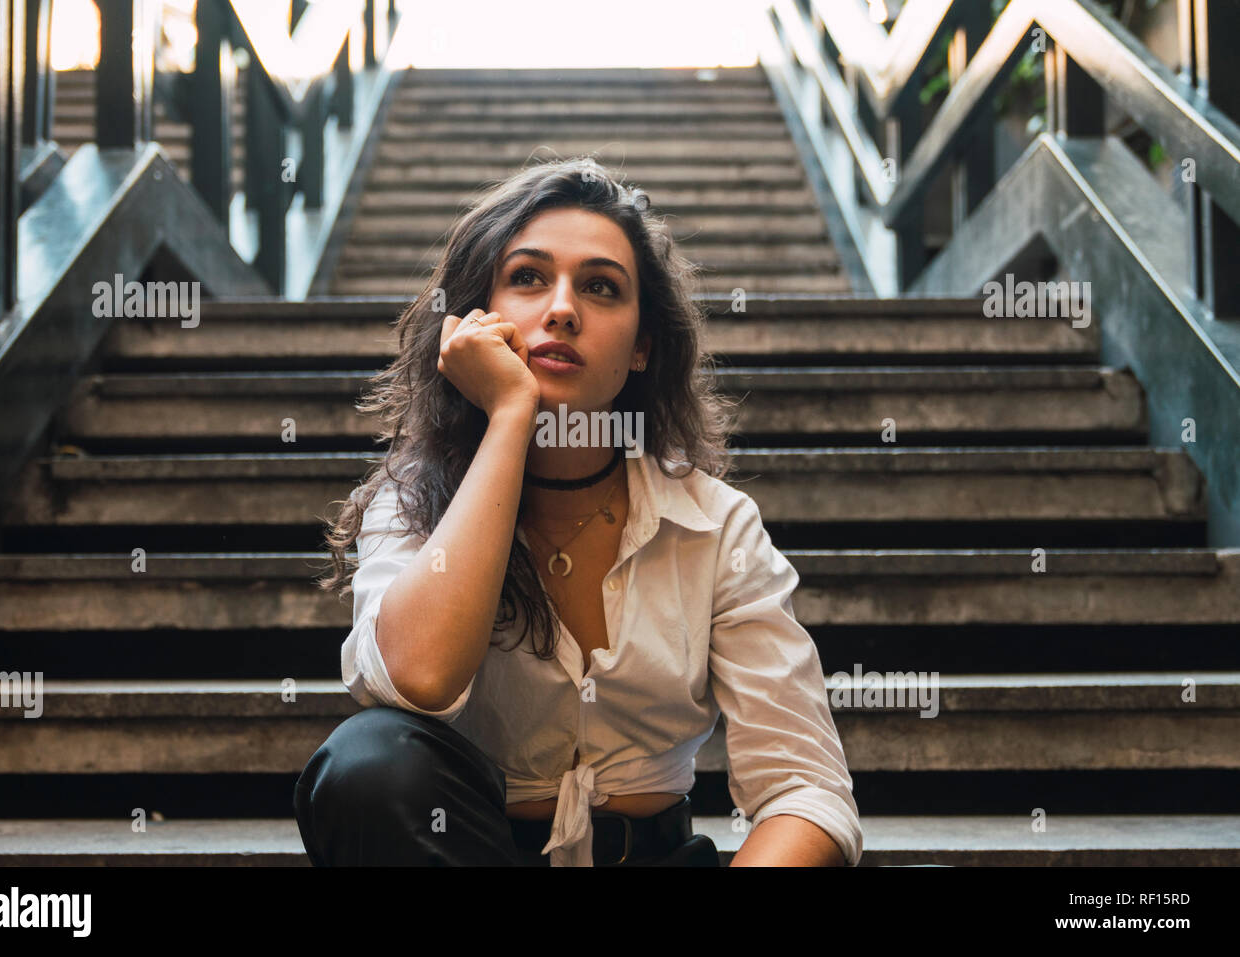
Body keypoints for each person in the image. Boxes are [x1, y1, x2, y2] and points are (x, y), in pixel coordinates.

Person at [294, 156, 862, 867]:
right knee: (367, 763)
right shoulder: (412, 502)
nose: (562, 307)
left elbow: (803, 789)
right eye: (528, 277)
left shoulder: (714, 525)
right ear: (476, 319)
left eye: (600, 287)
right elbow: (420, 679)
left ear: (641, 347)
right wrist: (510, 416)